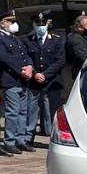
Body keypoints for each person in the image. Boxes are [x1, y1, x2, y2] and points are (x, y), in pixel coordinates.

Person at [0, 9, 34, 155]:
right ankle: (9, 141)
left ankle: (20, 140)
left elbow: (25, 55)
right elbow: (4, 59)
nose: (14, 24)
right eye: (11, 21)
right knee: (13, 112)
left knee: (23, 111)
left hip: (23, 80)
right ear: (3, 23)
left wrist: (29, 67)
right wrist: (21, 71)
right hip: (10, 80)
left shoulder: (16, 38)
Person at [24, 12, 65, 144]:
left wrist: (45, 74)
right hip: (34, 82)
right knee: (32, 111)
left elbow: (60, 61)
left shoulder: (57, 39)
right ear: (33, 25)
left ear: (47, 24)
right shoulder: (28, 40)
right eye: (37, 24)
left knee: (54, 112)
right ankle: (28, 138)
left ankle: (56, 138)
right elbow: (27, 58)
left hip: (52, 81)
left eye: (43, 24)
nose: (40, 27)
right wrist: (35, 73)